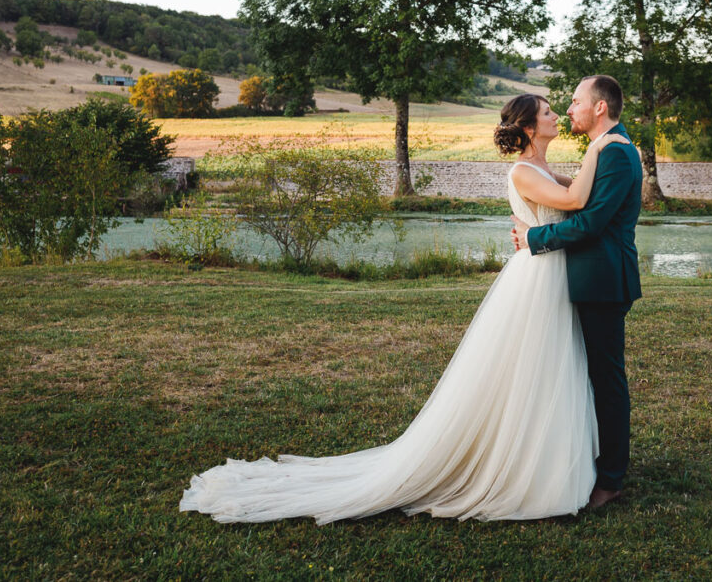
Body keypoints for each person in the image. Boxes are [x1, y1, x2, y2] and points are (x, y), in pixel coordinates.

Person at [179, 93, 627, 524]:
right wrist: (603, 142)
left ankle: (547, 460)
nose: (556, 116)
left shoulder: (544, 166)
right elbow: (572, 202)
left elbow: (582, 199)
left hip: (553, 276)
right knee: (530, 369)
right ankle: (517, 465)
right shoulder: (523, 172)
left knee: (553, 369)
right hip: (537, 280)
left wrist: (600, 148)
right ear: (529, 127)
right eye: (548, 112)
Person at [511, 75, 642, 509]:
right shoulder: (602, 149)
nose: (569, 110)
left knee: (606, 380)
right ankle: (583, 461)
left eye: (575, 102)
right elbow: (575, 198)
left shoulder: (617, 153)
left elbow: (591, 223)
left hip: (603, 280)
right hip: (586, 279)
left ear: (599, 108)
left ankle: (610, 479)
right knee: (584, 375)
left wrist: (533, 238)